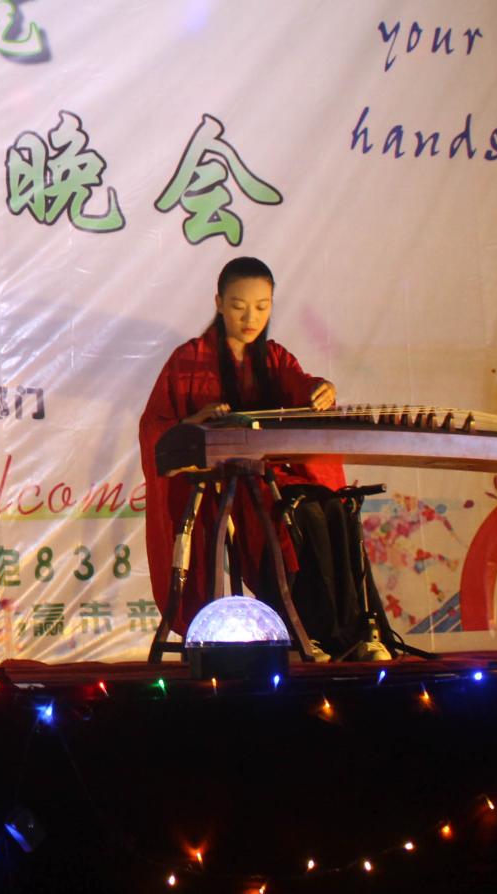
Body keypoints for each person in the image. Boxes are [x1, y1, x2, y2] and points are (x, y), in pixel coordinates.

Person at [137, 257, 378, 659]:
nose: (251, 318)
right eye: (238, 306)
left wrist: (320, 389)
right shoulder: (189, 359)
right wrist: (194, 421)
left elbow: (300, 387)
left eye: (262, 307)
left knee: (332, 508)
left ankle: (351, 634)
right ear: (219, 303)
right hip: (230, 484)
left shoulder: (275, 358)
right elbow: (155, 427)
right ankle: (308, 634)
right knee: (295, 517)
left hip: (278, 475)